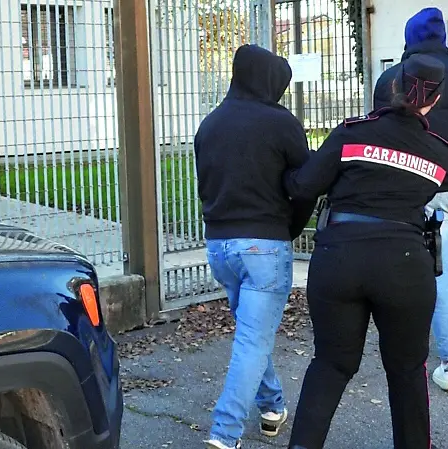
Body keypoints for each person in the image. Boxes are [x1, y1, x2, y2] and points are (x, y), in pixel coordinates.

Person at [283, 54, 448, 449]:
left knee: (330, 363)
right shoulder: (440, 153)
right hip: (405, 264)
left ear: (392, 89)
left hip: (339, 257)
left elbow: (304, 185)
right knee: (407, 370)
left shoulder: (351, 133)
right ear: (436, 100)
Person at [194, 44, 317, 449]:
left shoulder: (209, 125)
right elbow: (306, 186)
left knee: (252, 335)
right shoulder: (281, 123)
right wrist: (290, 228)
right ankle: (225, 433)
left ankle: (271, 406)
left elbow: (205, 188)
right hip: (265, 247)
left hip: (219, 248)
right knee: (252, 340)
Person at [373, 7, 448, 391]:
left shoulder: (393, 79)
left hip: (426, 185)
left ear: (409, 40)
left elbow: (383, 132)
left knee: (438, 270)